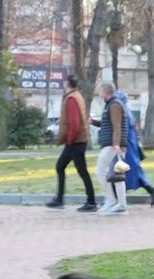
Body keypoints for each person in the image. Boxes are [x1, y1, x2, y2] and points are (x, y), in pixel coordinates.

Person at [46, 75, 97, 212]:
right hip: (78, 140)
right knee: (61, 166)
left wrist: (69, 140)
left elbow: (74, 123)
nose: (63, 85)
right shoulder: (77, 95)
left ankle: (91, 202)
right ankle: (60, 199)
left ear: (68, 84)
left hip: (75, 141)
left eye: (64, 83)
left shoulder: (71, 99)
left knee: (81, 171)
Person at [117, 91, 154, 206]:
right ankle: (152, 191)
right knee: (132, 172)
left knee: (125, 172)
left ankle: (118, 198)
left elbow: (124, 131)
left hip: (128, 147)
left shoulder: (123, 112)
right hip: (131, 146)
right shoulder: (127, 111)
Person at [92, 81, 128, 214]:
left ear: (105, 92)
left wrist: (116, 143)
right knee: (117, 176)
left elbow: (117, 125)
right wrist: (94, 122)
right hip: (113, 144)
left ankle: (112, 200)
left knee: (101, 171)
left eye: (101, 91)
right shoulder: (111, 104)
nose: (100, 94)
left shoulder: (114, 105)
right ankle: (120, 204)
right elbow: (109, 123)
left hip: (112, 145)